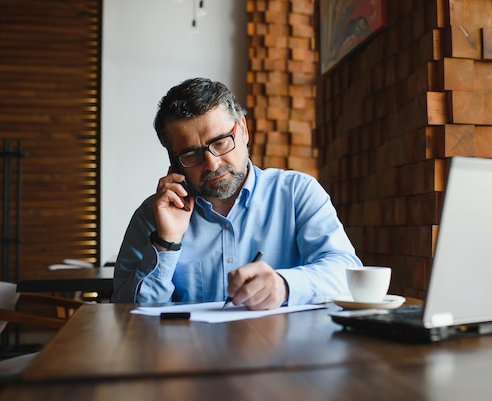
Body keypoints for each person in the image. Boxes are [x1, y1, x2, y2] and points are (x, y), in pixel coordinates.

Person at [112, 77, 362, 309]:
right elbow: (124, 310)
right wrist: (166, 241)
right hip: (189, 355)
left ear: (243, 129)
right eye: (191, 154)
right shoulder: (151, 216)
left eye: (220, 142)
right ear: (174, 160)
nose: (212, 163)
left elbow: (346, 273)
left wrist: (284, 286)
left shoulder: (297, 193)